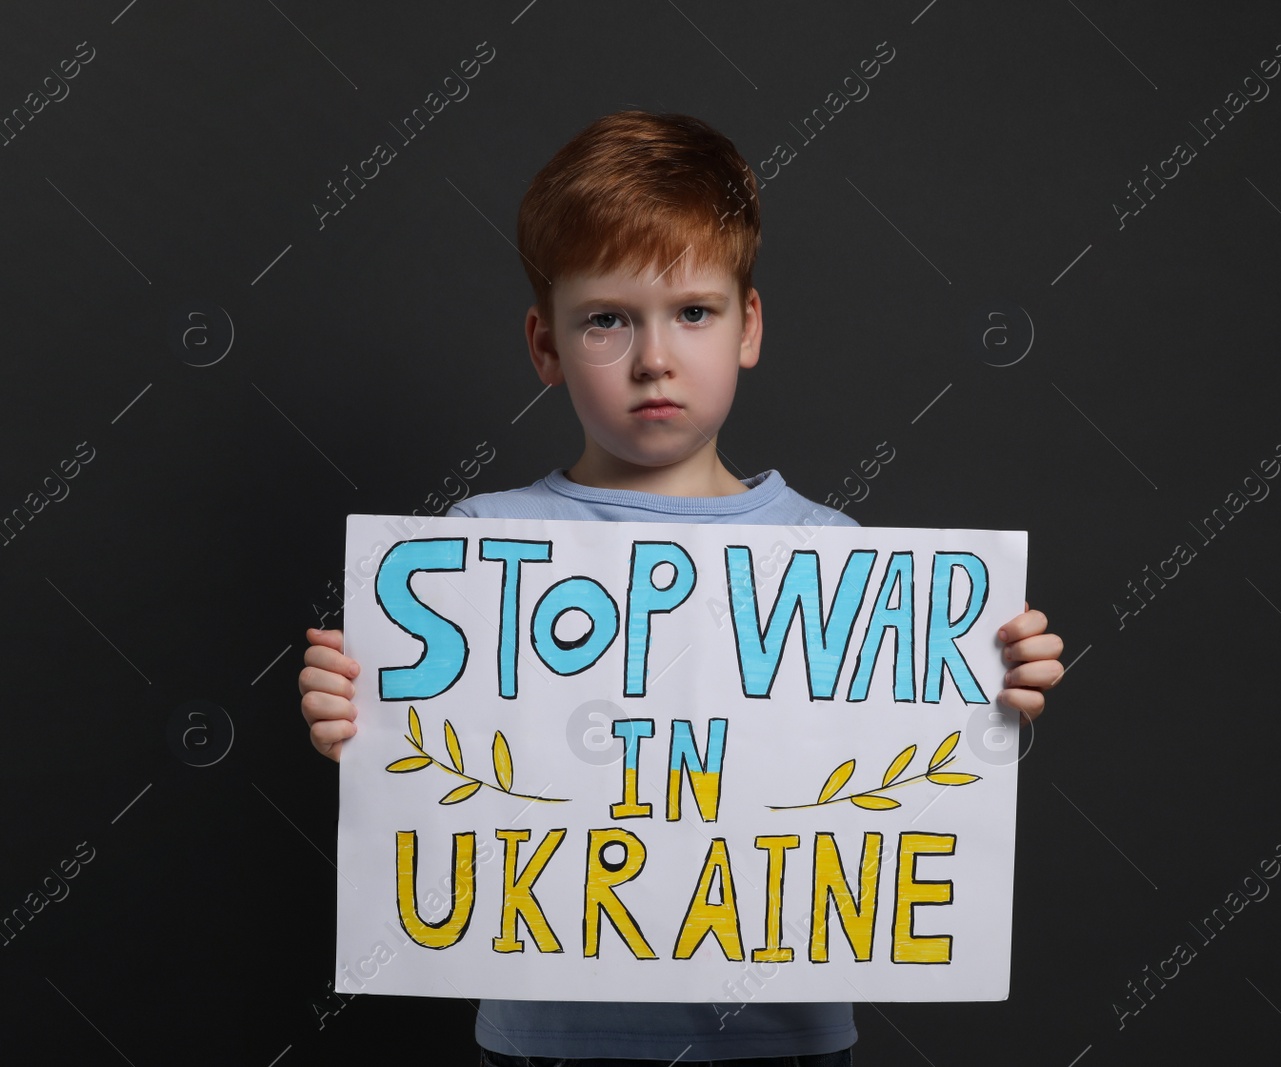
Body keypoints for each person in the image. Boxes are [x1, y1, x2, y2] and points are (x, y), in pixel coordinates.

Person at [299, 110, 1066, 1067]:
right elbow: (439, 782)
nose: (654, 357)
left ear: (748, 326)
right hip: (549, 1041)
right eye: (607, 320)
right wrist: (357, 728)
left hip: (778, 1042)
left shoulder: (834, 555)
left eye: (692, 312)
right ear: (546, 345)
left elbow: (894, 777)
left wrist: (990, 704)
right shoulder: (482, 546)